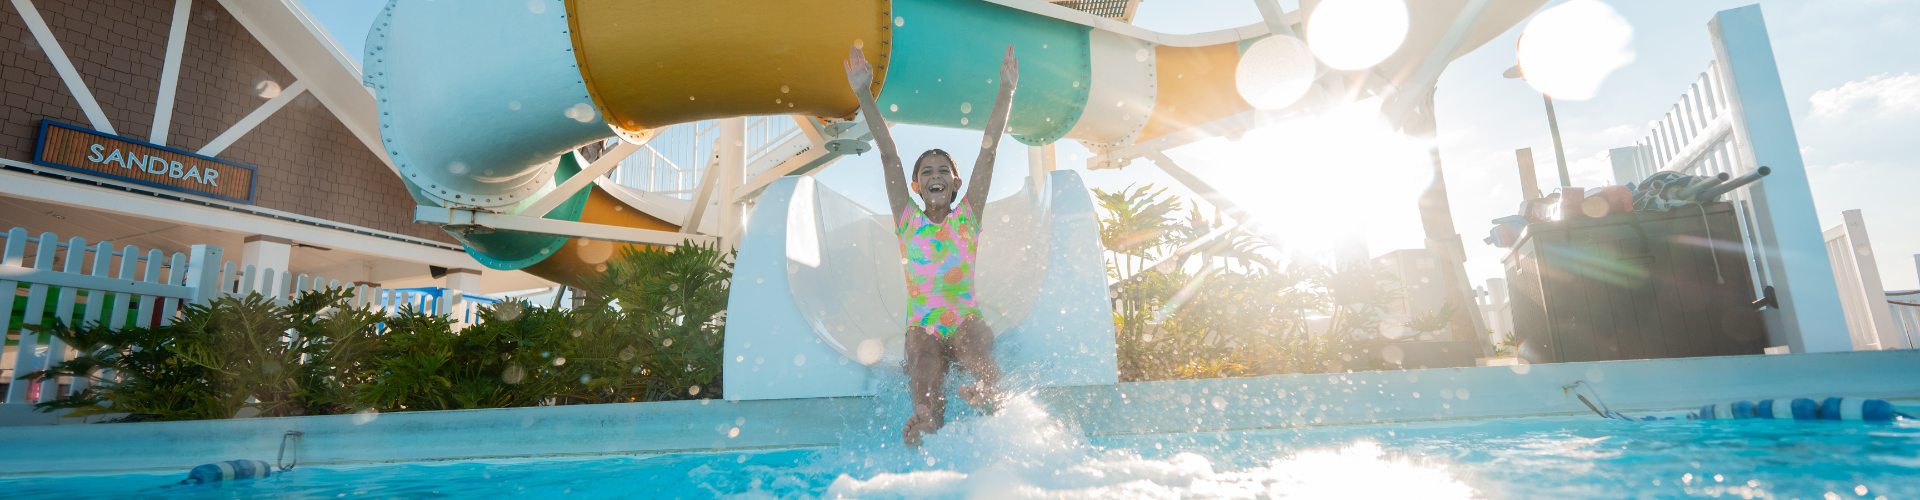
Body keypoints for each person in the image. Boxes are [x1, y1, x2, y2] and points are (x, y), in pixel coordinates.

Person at [844, 43, 1018, 447]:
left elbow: (988, 151)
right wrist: (863, 93)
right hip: (923, 324)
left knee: (972, 349)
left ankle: (990, 394)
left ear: (957, 183)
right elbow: (889, 155)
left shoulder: (967, 218)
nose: (935, 174)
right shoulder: (908, 221)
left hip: (965, 316)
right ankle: (926, 417)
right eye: (927, 171)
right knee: (924, 359)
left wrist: (1006, 91)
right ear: (916, 185)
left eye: (944, 170)